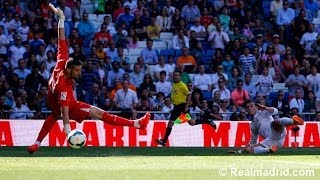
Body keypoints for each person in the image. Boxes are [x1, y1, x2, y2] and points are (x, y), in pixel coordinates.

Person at [27, 4, 150, 154]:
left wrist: (61, 19)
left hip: (54, 103)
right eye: (77, 71)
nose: (80, 73)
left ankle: (36, 144)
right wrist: (69, 134)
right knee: (100, 114)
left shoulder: (62, 59)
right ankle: (136, 124)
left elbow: (61, 38)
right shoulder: (63, 87)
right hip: (71, 106)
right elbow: (65, 114)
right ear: (69, 70)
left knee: (54, 115)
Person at [155, 71, 216, 147]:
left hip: (181, 107)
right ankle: (207, 121)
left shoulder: (182, 85)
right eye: (174, 75)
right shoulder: (174, 84)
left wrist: (186, 106)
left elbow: (189, 95)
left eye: (177, 75)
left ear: (180, 77)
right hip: (177, 107)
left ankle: (164, 141)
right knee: (191, 123)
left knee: (171, 123)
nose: (176, 76)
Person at [229, 101, 304, 154]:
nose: (249, 108)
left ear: (256, 107)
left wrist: (265, 107)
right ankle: (269, 150)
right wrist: (239, 151)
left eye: (251, 106)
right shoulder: (252, 125)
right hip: (271, 140)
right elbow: (252, 142)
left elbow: (276, 111)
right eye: (247, 107)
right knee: (250, 149)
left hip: (276, 132)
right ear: (246, 110)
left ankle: (293, 121)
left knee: (275, 122)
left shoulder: (263, 112)